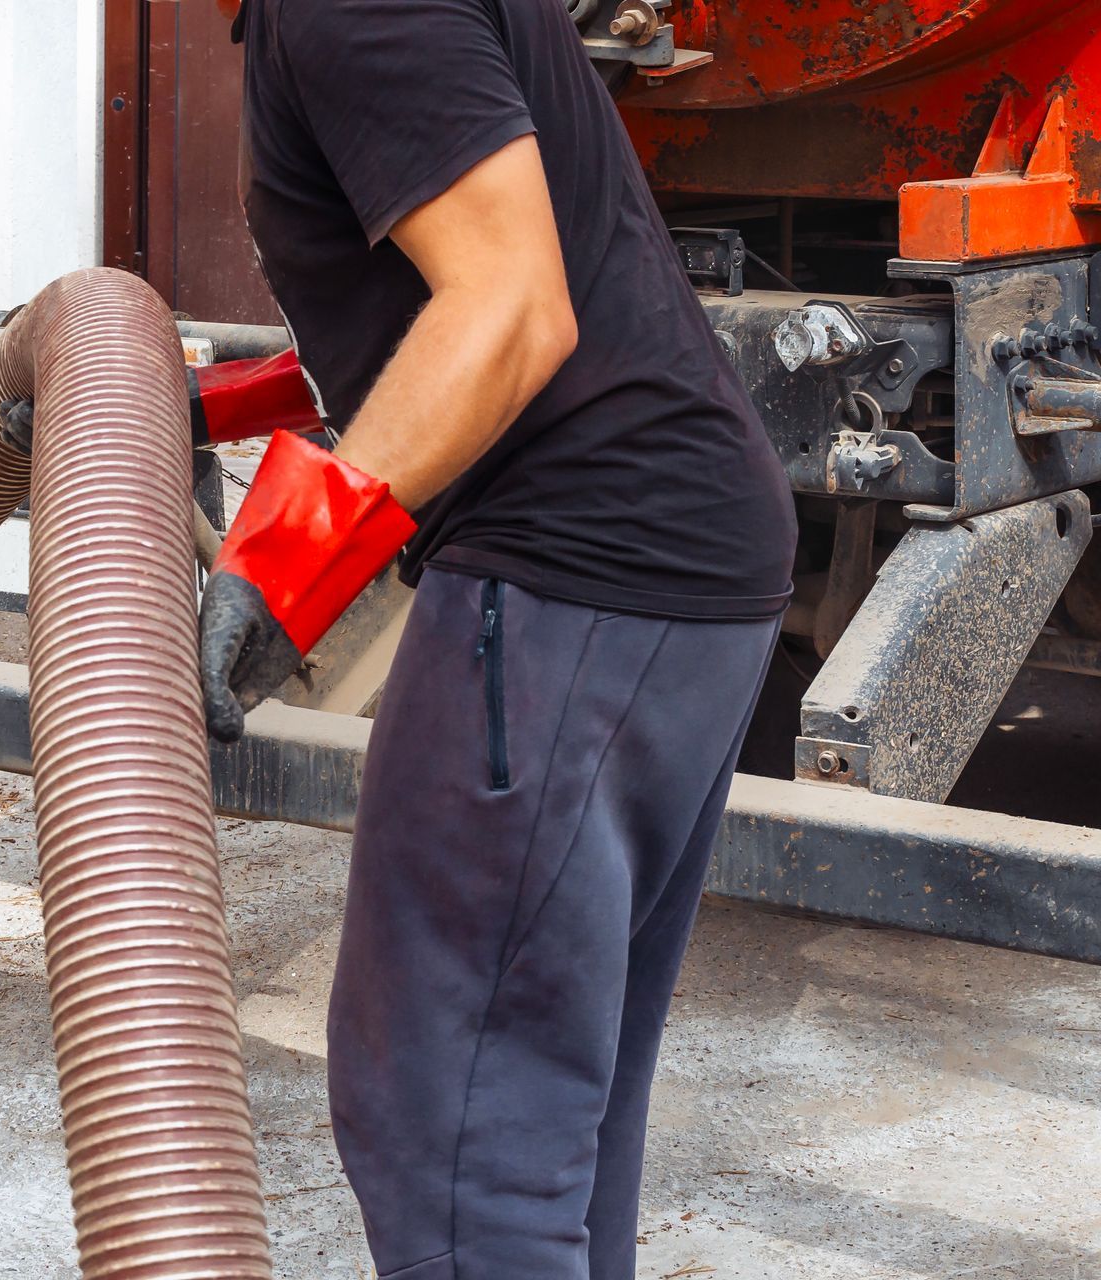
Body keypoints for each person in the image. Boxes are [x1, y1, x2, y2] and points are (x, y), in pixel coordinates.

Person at [194, 1, 798, 1276]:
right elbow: (436, 303)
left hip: (580, 565)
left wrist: (283, 574)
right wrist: (200, 407)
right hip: (667, 562)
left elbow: (512, 309)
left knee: (457, 1132)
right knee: (544, 1130)